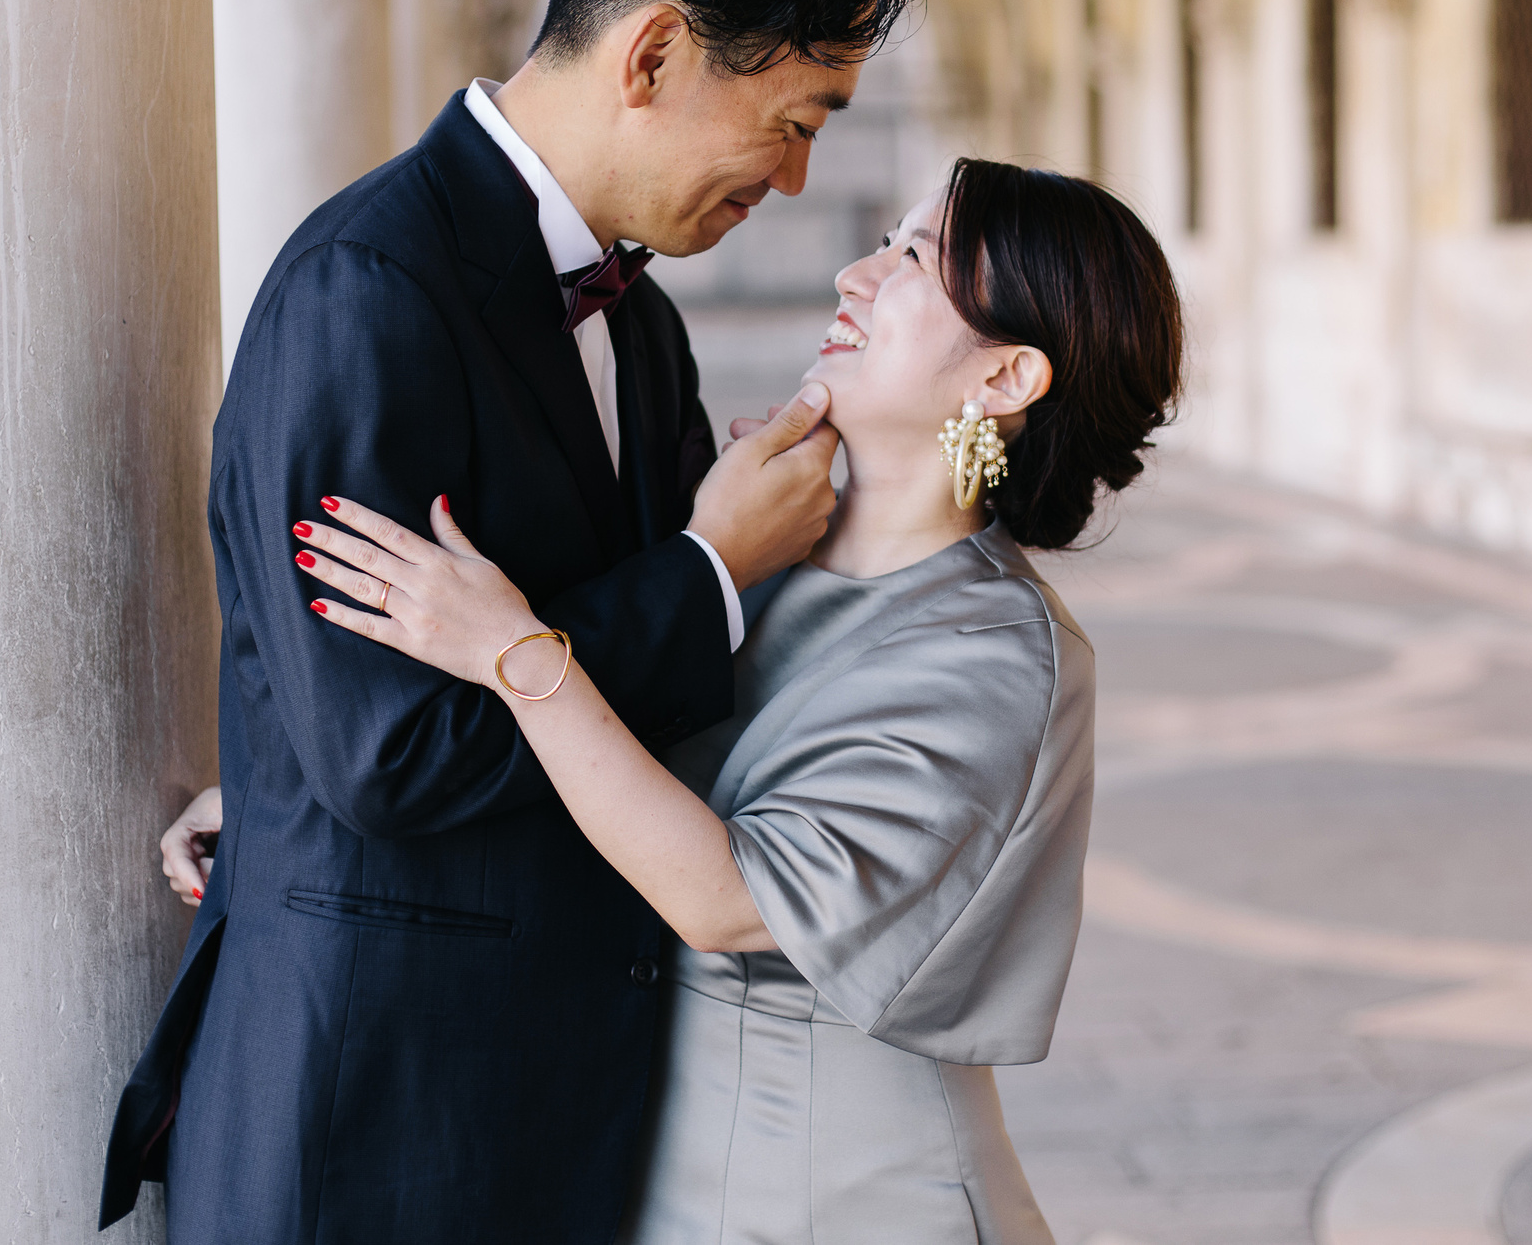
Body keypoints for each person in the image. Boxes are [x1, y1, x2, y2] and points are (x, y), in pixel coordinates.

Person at [98, 0, 948, 1244]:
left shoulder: (649, 321)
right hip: (374, 1126)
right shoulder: (367, 293)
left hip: (561, 1107)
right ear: (658, 52)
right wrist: (703, 568)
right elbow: (391, 749)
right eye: (795, 118)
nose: (801, 177)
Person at [264, 157, 1184, 1242]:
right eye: (884, 241)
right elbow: (603, 775)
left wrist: (516, 651)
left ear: (1004, 380)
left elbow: (726, 900)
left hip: (854, 1199)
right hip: (663, 1174)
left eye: (910, 260)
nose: (854, 274)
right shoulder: (760, 547)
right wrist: (298, 806)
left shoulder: (999, 652)